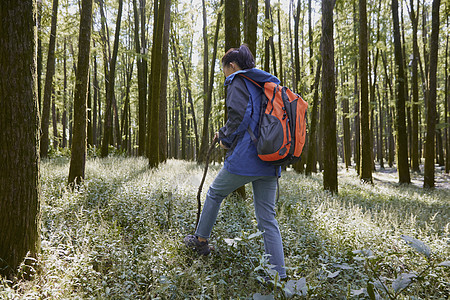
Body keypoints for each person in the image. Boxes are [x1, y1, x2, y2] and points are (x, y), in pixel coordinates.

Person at [184, 44, 286, 280]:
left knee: (214, 193)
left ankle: (200, 241)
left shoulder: (238, 81)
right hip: (270, 159)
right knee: (267, 218)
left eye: (224, 71)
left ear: (231, 66)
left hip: (247, 158)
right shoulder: (262, 84)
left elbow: (240, 116)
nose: (224, 76)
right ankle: (279, 276)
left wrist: (225, 138)